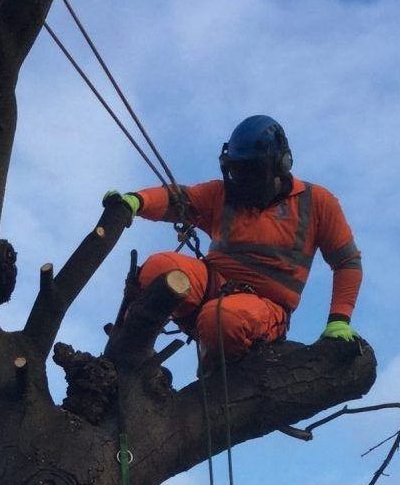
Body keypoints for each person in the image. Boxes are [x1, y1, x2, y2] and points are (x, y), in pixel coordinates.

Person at [105, 115, 362, 365]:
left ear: (281, 165)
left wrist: (339, 319)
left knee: (221, 319)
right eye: (236, 169)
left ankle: (218, 366)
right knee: (158, 269)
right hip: (214, 284)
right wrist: (136, 201)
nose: (242, 178)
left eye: (250, 170)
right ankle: (127, 351)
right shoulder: (223, 194)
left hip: (264, 306)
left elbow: (347, 262)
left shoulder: (316, 202)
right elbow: (179, 199)